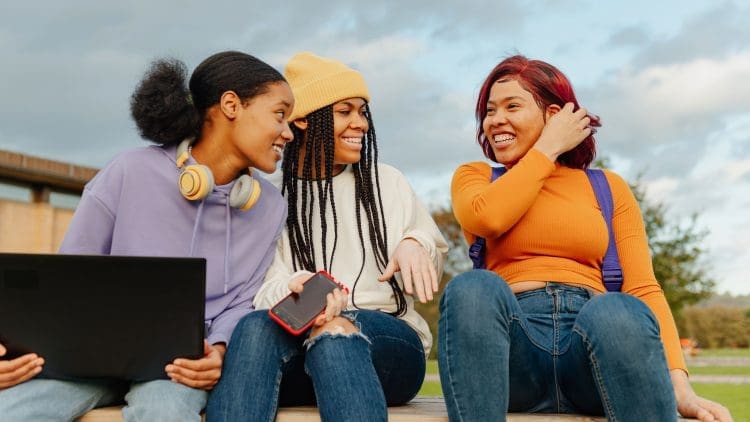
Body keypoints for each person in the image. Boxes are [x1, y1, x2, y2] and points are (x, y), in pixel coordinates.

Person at [0, 51, 294, 421]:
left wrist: (218, 351)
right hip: (87, 357)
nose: (288, 132)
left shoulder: (268, 206)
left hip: (178, 367)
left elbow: (242, 302)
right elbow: (70, 272)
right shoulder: (129, 170)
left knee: (164, 411)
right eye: (280, 115)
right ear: (231, 105)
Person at [439, 55, 732, 422]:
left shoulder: (607, 187)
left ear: (554, 114)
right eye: (489, 110)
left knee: (619, 308)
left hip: (593, 348)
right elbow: (488, 217)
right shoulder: (477, 177)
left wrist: (680, 386)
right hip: (514, 352)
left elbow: (643, 287)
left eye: (512, 106)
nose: (495, 119)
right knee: (472, 288)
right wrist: (546, 149)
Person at [206, 52, 448, 421]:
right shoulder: (267, 194)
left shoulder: (387, 181)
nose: (360, 124)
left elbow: (430, 256)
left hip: (389, 348)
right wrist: (296, 288)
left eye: (363, 112)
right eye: (345, 111)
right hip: (298, 343)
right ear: (302, 119)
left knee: (336, 330)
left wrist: (416, 242)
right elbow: (262, 288)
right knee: (256, 327)